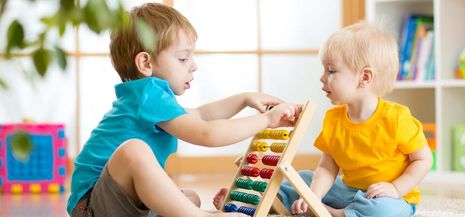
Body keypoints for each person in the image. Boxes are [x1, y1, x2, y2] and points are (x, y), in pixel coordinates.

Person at [67, 3, 300, 217]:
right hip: (89, 207)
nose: (194, 66)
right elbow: (207, 133)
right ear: (146, 64)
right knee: (134, 151)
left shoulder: (148, 97)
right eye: (182, 58)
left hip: (114, 201)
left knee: (189, 197)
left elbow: (199, 115)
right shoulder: (148, 95)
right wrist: (266, 120)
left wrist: (244, 99)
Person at [277, 21, 433, 217]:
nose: (322, 77)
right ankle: (276, 200)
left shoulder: (397, 118)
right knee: (300, 179)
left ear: (365, 77)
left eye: (331, 70)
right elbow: (327, 166)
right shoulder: (333, 119)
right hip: (346, 190)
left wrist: (395, 188)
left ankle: (339, 214)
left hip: (387, 197)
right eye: (324, 70)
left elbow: (423, 159)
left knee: (385, 211)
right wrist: (313, 196)